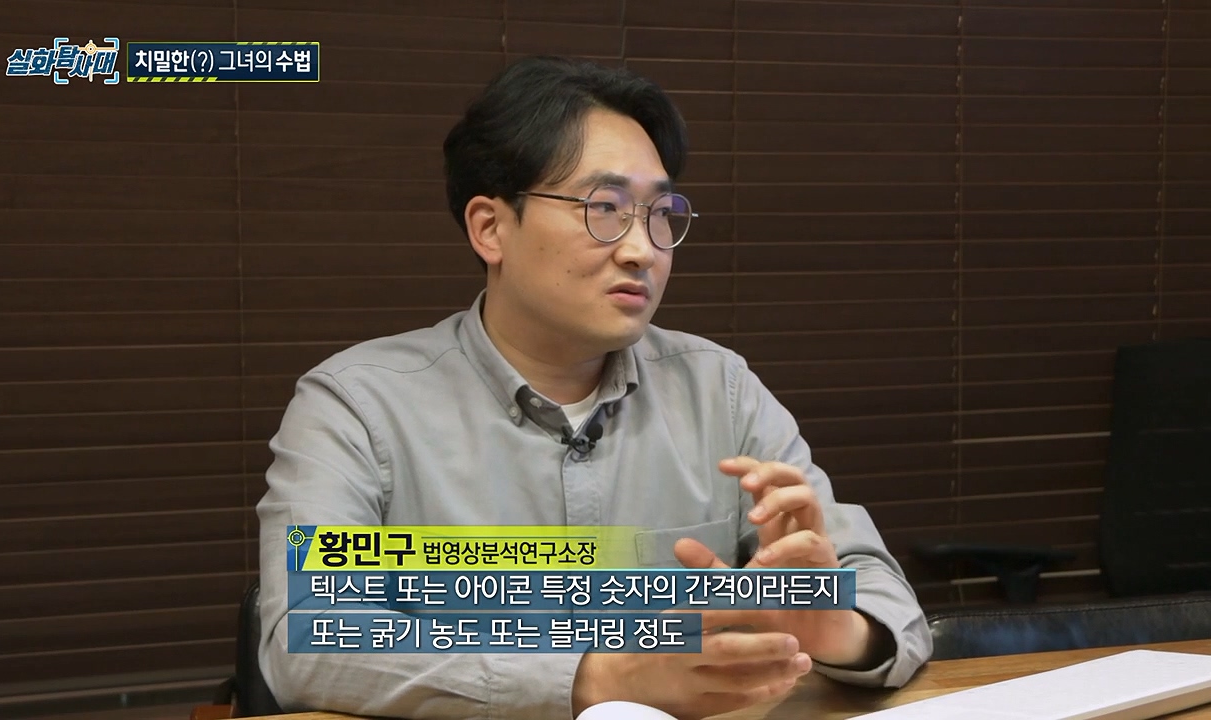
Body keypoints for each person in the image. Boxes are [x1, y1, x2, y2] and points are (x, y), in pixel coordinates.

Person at [256, 55, 931, 720]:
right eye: (604, 208)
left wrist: (832, 626)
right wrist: (596, 679)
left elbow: (885, 600)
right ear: (491, 227)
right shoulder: (358, 406)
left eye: (660, 213)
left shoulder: (719, 391)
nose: (642, 249)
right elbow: (309, 635)